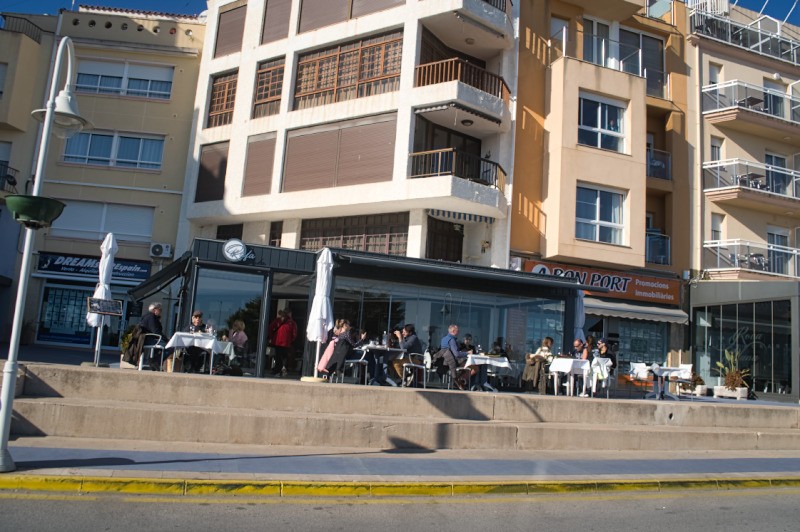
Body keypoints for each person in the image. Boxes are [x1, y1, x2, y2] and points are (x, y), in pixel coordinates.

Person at [433, 324, 469, 390]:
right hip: (451, 362)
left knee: (466, 364)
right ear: (453, 331)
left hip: (444, 362)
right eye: (457, 331)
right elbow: (456, 354)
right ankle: (458, 380)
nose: (459, 332)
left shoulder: (443, 339)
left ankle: (458, 380)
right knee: (470, 365)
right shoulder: (452, 340)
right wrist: (467, 353)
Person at [268, 308, 297, 376]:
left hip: (277, 342)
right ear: (289, 314)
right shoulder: (292, 323)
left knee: (278, 356)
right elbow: (294, 334)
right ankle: (282, 369)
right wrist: (291, 341)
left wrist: (272, 338)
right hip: (286, 343)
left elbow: (270, 328)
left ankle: (277, 370)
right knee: (285, 357)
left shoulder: (277, 320)